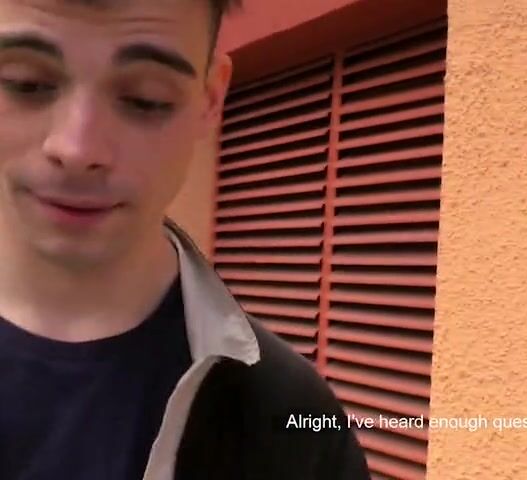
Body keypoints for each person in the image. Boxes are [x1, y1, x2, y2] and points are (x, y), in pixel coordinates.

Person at [0, 0, 371, 478]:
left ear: (209, 100)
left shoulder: (293, 418)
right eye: (27, 83)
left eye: (145, 100)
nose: (77, 149)